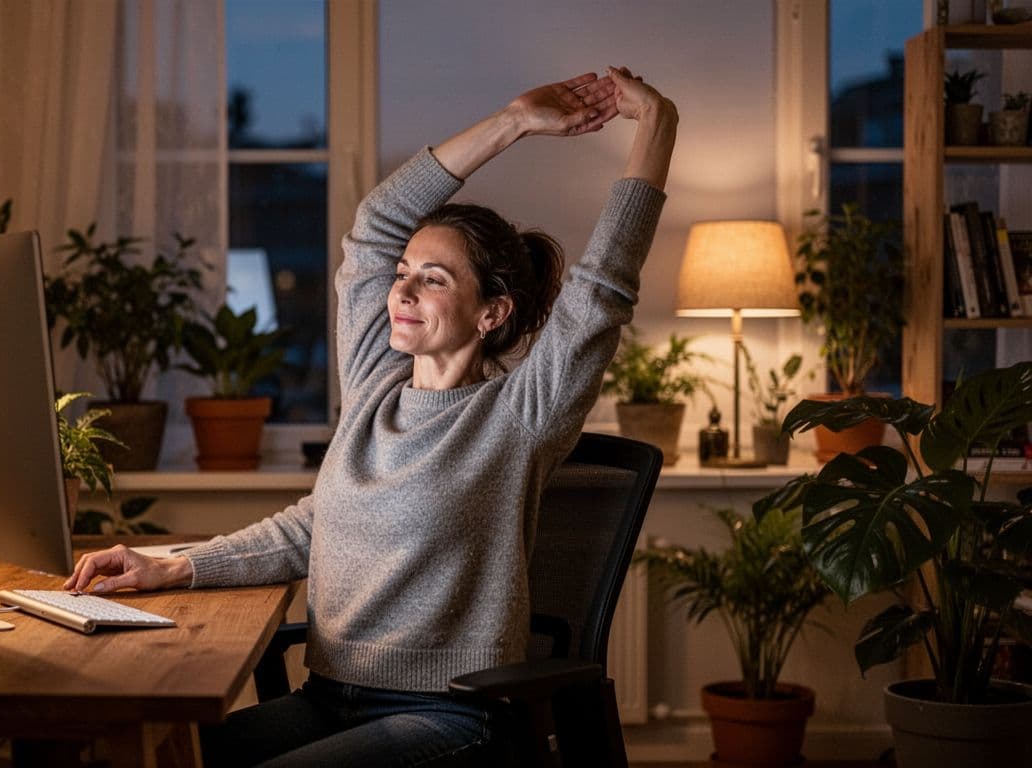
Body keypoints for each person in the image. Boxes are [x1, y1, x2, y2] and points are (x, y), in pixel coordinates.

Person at [65, 65, 677, 766]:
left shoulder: (521, 415)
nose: (404, 290)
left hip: (448, 714)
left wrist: (658, 124)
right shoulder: (373, 386)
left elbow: (601, 288)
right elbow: (376, 226)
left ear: (492, 313)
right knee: (148, 757)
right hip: (327, 699)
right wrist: (169, 568)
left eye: (434, 279)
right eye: (403, 273)